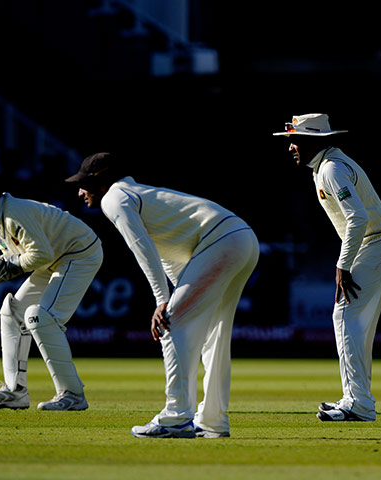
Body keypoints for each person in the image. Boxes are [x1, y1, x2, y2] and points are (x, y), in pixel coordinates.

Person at [66, 152, 259, 438]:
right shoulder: (137, 194)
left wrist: (162, 302)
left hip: (222, 240)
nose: (80, 192)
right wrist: (174, 295)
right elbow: (168, 254)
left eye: (84, 183)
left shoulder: (114, 198)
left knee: (171, 322)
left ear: (101, 179)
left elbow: (141, 249)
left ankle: (176, 417)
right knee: (213, 334)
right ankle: (213, 421)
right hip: (242, 238)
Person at [273, 114, 381, 422]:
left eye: (295, 140)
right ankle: (357, 399)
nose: (291, 146)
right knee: (357, 322)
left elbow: (357, 218)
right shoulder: (327, 165)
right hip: (380, 242)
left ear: (311, 141)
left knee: (344, 315)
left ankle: (358, 403)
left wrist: (342, 265)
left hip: (377, 242)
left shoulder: (331, 169)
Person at [0, 171, 103, 411]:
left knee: (39, 317)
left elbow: (41, 253)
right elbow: (18, 254)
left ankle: (73, 394)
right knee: (12, 311)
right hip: (54, 259)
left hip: (79, 254)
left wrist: (7, 268)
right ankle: (14, 391)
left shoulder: (15, 214)